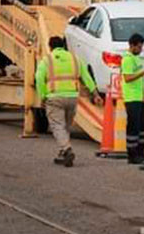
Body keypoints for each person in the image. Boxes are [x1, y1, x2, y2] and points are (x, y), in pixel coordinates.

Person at [35, 36, 103, 167]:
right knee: (66, 126)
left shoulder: (47, 60)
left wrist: (42, 96)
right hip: (72, 97)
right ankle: (63, 153)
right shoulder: (75, 59)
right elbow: (87, 77)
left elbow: (39, 78)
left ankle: (66, 149)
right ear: (63, 46)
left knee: (57, 126)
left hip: (54, 97)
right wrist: (95, 94)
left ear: (50, 47)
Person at [121, 33, 144, 164]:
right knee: (133, 126)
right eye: (139, 47)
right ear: (132, 45)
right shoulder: (127, 59)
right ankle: (132, 154)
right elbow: (128, 78)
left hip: (141, 97)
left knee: (143, 126)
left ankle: (141, 152)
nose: (141, 49)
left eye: (142, 47)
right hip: (131, 98)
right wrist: (143, 72)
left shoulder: (137, 59)